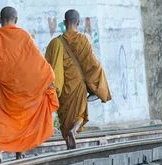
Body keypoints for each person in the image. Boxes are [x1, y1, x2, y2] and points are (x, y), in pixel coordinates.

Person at [0, 6, 59, 164]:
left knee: (0, 121)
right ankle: (19, 152)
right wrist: (49, 79)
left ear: (0, 20)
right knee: (22, 120)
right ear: (16, 20)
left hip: (1, 91)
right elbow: (37, 63)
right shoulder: (24, 36)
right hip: (22, 92)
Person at [45, 9, 112, 149]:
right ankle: (74, 130)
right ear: (78, 22)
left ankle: (68, 139)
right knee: (80, 113)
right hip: (78, 84)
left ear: (64, 23)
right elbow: (91, 63)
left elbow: (47, 66)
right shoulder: (83, 40)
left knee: (64, 115)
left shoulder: (54, 43)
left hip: (63, 87)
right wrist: (97, 82)